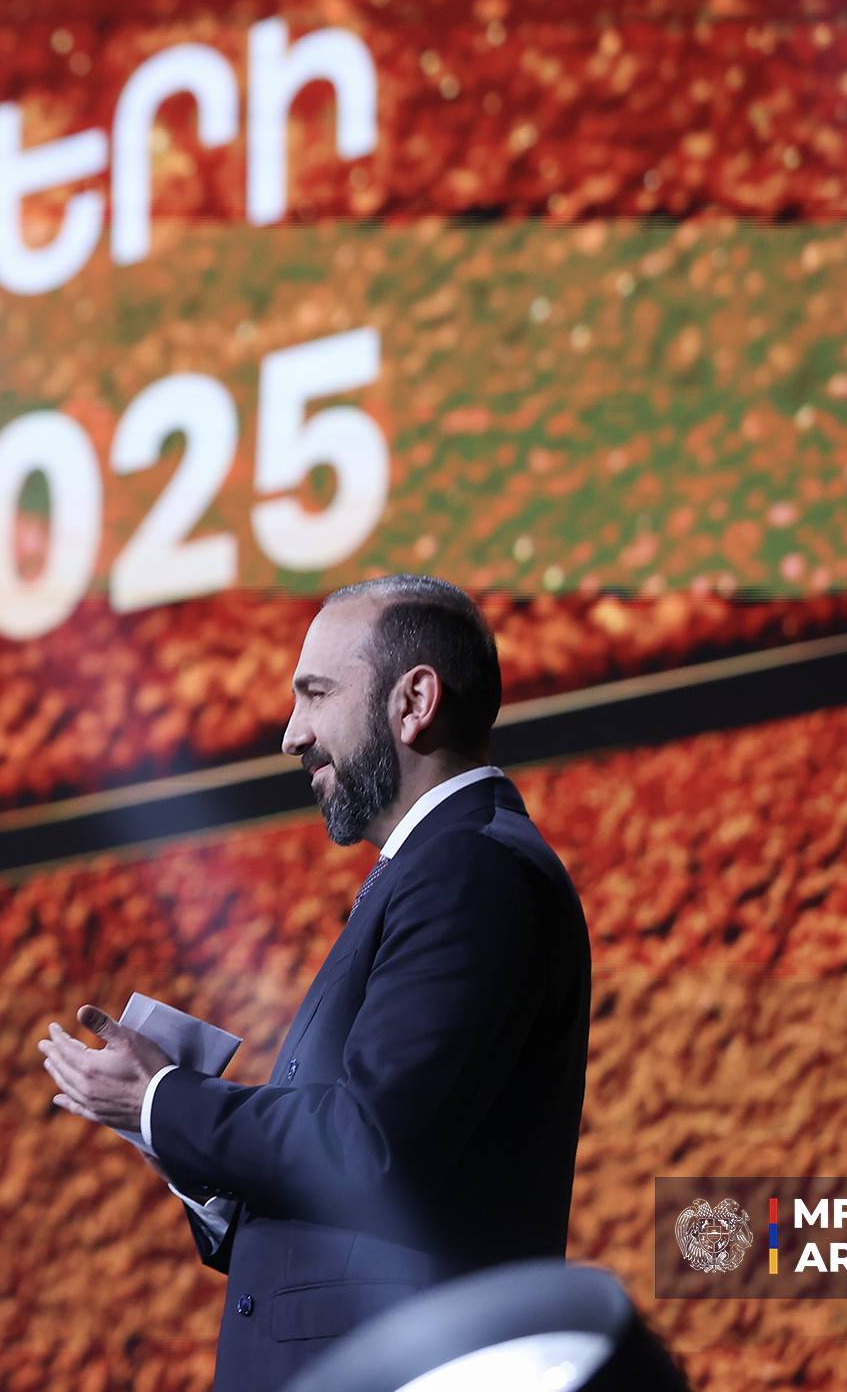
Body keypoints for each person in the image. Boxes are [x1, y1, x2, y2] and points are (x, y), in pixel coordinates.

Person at [38, 574, 591, 1392]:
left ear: (414, 702)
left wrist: (162, 1099)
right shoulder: (438, 867)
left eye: (317, 694)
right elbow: (359, 1196)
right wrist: (190, 1158)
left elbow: (370, 1142)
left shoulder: (469, 869)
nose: (292, 734)